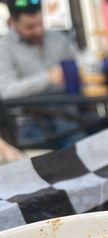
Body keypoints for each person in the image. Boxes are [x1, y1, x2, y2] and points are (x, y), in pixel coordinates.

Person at [0, 0, 86, 148]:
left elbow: (78, 67)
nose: (38, 30)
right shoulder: (5, 47)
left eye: (40, 23)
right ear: (13, 22)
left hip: (67, 112)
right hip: (30, 119)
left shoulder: (58, 38)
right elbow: (5, 91)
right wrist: (48, 78)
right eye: (30, 27)